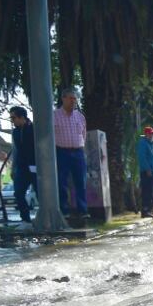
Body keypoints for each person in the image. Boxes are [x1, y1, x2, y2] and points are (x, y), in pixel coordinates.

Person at [54, 87, 88, 219]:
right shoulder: (54, 115)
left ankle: (83, 210)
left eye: (75, 98)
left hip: (78, 152)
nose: (73, 101)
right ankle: (64, 211)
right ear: (63, 98)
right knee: (61, 182)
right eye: (71, 98)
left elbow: (83, 134)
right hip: (61, 152)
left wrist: (80, 147)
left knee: (81, 182)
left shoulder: (80, 116)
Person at [8, 106, 37, 223]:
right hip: (21, 167)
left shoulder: (34, 128)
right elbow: (15, 150)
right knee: (19, 193)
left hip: (35, 166)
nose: (12, 120)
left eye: (13, 118)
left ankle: (43, 216)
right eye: (11, 118)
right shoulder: (15, 132)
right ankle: (25, 219)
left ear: (22, 117)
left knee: (40, 192)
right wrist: (13, 168)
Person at [136, 125, 153, 217]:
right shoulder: (143, 143)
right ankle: (145, 211)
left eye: (152, 134)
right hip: (146, 172)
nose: (151, 135)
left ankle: (149, 210)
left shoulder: (152, 144)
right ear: (146, 134)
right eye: (149, 134)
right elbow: (142, 157)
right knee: (147, 191)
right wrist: (147, 169)